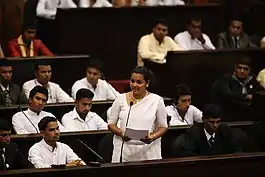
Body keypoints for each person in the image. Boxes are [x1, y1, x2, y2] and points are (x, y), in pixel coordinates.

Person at [108, 66, 168, 162]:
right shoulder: (120, 99)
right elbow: (111, 124)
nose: (134, 85)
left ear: (147, 83)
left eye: (139, 82)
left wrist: (152, 136)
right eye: (132, 81)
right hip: (124, 151)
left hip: (148, 151)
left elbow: (163, 126)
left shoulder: (156, 100)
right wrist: (121, 133)